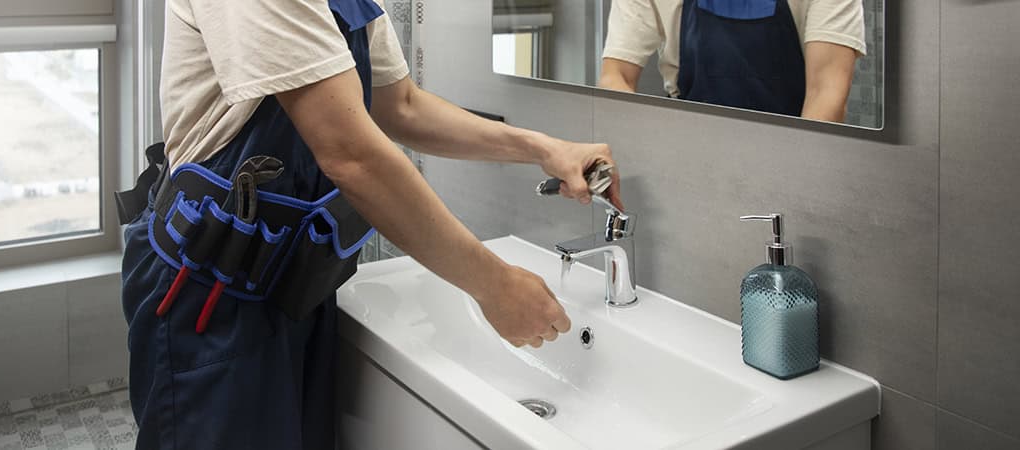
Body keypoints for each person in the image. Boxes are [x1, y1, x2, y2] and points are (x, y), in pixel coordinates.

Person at [117, 0, 624, 448]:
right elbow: (351, 153)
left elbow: (400, 106)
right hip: (208, 293)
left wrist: (543, 149)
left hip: (294, 287)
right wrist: (494, 285)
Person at [599, 0, 866, 122]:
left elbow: (826, 95)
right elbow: (615, 77)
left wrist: (797, 178)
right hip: (689, 145)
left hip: (792, 148)